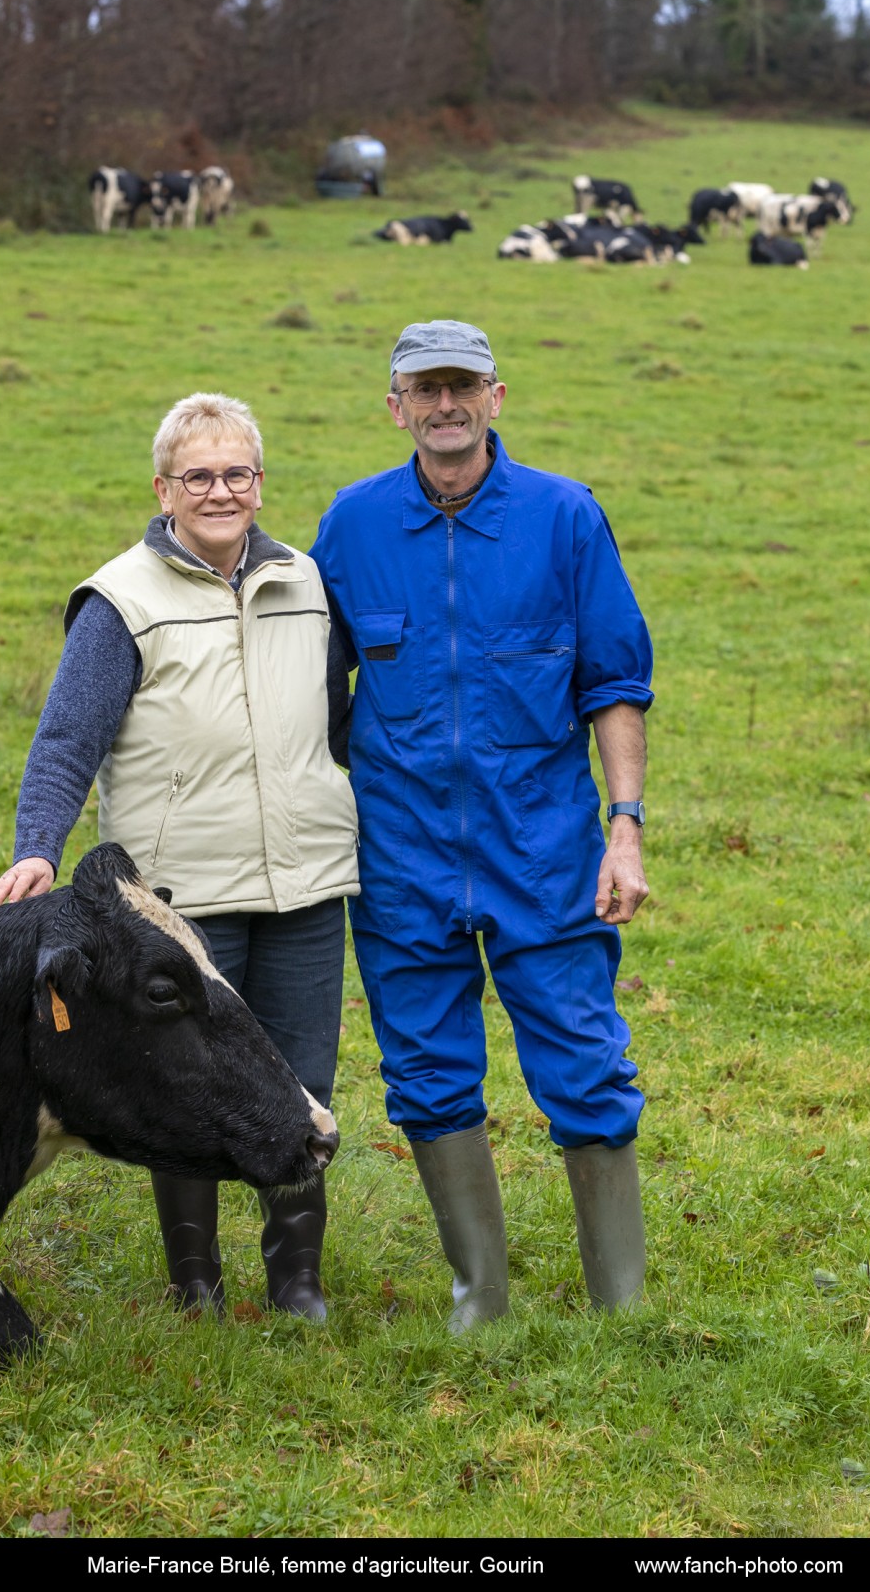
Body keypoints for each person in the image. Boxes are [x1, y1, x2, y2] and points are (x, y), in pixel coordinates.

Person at [0, 393, 358, 1320]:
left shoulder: (307, 584)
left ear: (260, 483)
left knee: (302, 1075)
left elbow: (341, 723)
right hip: (183, 899)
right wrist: (38, 849)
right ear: (164, 489)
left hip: (307, 883)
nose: (219, 491)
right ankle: (196, 1280)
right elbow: (67, 738)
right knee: (190, 1080)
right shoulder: (122, 601)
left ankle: (297, 1279)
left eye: (236, 473)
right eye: (198, 476)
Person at [309, 320, 653, 1331]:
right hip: (402, 851)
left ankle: (622, 1304)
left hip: (543, 844)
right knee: (424, 1067)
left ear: (496, 397)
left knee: (584, 1058)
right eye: (426, 389)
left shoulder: (564, 516)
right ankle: (480, 1298)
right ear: (397, 407)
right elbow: (307, 679)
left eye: (463, 385)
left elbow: (614, 682)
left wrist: (625, 826)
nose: (446, 405)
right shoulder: (353, 525)